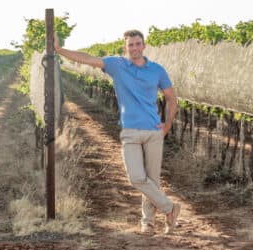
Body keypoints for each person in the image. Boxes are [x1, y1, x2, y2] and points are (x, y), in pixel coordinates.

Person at [55, 30, 181, 234]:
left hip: (153, 131)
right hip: (130, 132)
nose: (134, 48)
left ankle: (147, 222)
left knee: (153, 180)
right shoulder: (117, 65)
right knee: (136, 178)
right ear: (126, 47)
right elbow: (87, 59)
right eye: (130, 45)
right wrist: (59, 50)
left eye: (138, 44)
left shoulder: (157, 70)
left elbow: (171, 98)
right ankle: (170, 209)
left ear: (144, 45)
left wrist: (166, 125)